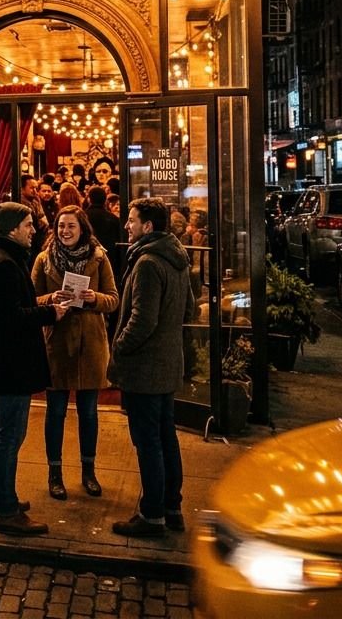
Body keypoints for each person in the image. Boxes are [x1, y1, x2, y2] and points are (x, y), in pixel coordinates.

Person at [108, 197, 198, 538]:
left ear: (147, 226)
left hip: (145, 368)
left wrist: (119, 346)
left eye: (131, 220)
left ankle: (152, 514)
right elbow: (189, 310)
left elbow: (142, 320)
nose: (126, 226)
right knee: (165, 436)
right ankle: (172, 507)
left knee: (148, 443)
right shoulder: (176, 257)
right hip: (168, 363)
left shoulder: (147, 262)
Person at [0, 202, 68, 536]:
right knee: (9, 436)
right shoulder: (5, 264)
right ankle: (6, 510)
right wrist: (50, 313)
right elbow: (12, 317)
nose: (33, 229)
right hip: (11, 363)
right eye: (28, 224)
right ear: (13, 228)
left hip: (0, 361)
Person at [31, 206, 119, 500]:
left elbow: (114, 299)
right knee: (55, 411)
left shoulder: (99, 257)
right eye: (61, 226)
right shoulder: (44, 259)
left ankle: (88, 472)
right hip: (58, 343)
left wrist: (94, 298)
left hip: (90, 344)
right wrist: (51, 298)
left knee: (89, 412)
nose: (65, 231)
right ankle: (55, 473)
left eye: (71, 226)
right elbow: (30, 298)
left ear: (82, 229)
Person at [20, 176, 50, 262]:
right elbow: (40, 223)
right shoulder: (22, 204)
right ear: (22, 188)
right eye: (32, 188)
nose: (35, 191)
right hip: (30, 245)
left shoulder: (35, 201)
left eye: (36, 188)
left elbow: (44, 222)